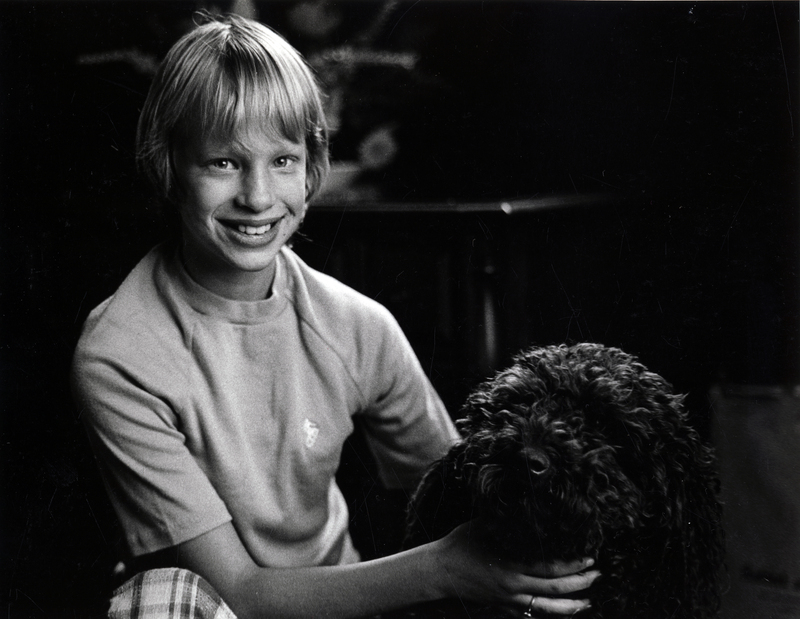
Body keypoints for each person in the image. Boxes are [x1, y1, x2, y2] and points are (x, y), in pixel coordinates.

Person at [72, 12, 599, 619]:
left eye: (283, 160)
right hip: (212, 608)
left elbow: (464, 497)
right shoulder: (120, 353)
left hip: (344, 608)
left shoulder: (358, 326)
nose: (258, 197)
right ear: (170, 166)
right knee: (157, 599)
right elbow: (238, 591)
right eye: (222, 162)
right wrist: (441, 569)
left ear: (311, 168)